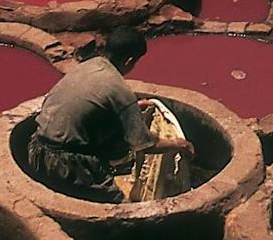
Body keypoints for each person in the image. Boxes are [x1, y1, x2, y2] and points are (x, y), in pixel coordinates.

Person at [26, 26, 192, 203]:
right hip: (67, 164)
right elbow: (143, 144)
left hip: (36, 149)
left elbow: (90, 105)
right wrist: (180, 144)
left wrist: (133, 107)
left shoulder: (87, 66)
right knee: (120, 207)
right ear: (129, 61)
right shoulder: (119, 89)